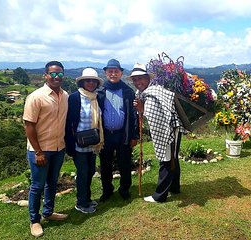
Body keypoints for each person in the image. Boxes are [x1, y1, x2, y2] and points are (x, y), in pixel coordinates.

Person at [23, 61, 69, 237]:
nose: (56, 77)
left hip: (59, 147)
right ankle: (34, 221)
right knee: (37, 186)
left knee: (52, 182)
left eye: (59, 74)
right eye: (53, 74)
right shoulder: (36, 97)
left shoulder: (64, 95)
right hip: (41, 149)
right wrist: (39, 152)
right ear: (46, 75)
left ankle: (48, 212)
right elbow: (29, 125)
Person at [130, 63, 184, 203]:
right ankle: (175, 187)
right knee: (172, 159)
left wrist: (142, 109)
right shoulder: (143, 93)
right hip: (172, 128)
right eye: (135, 80)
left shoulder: (153, 93)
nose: (137, 82)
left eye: (140, 78)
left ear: (148, 78)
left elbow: (155, 117)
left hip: (168, 130)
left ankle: (160, 196)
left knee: (166, 161)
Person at [97, 59, 138, 202]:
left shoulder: (127, 91)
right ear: (106, 73)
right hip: (106, 135)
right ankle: (107, 190)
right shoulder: (100, 92)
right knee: (105, 164)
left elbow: (133, 115)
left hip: (123, 134)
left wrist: (134, 135)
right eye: (110, 71)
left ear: (121, 73)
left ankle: (124, 189)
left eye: (116, 71)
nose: (113, 74)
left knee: (124, 162)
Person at [65, 68, 104, 214]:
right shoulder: (75, 98)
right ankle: (81, 202)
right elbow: (69, 123)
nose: (91, 83)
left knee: (90, 171)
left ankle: (87, 198)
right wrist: (70, 145)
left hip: (93, 142)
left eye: (93, 81)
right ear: (82, 82)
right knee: (82, 172)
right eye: (88, 80)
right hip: (79, 144)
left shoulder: (96, 97)